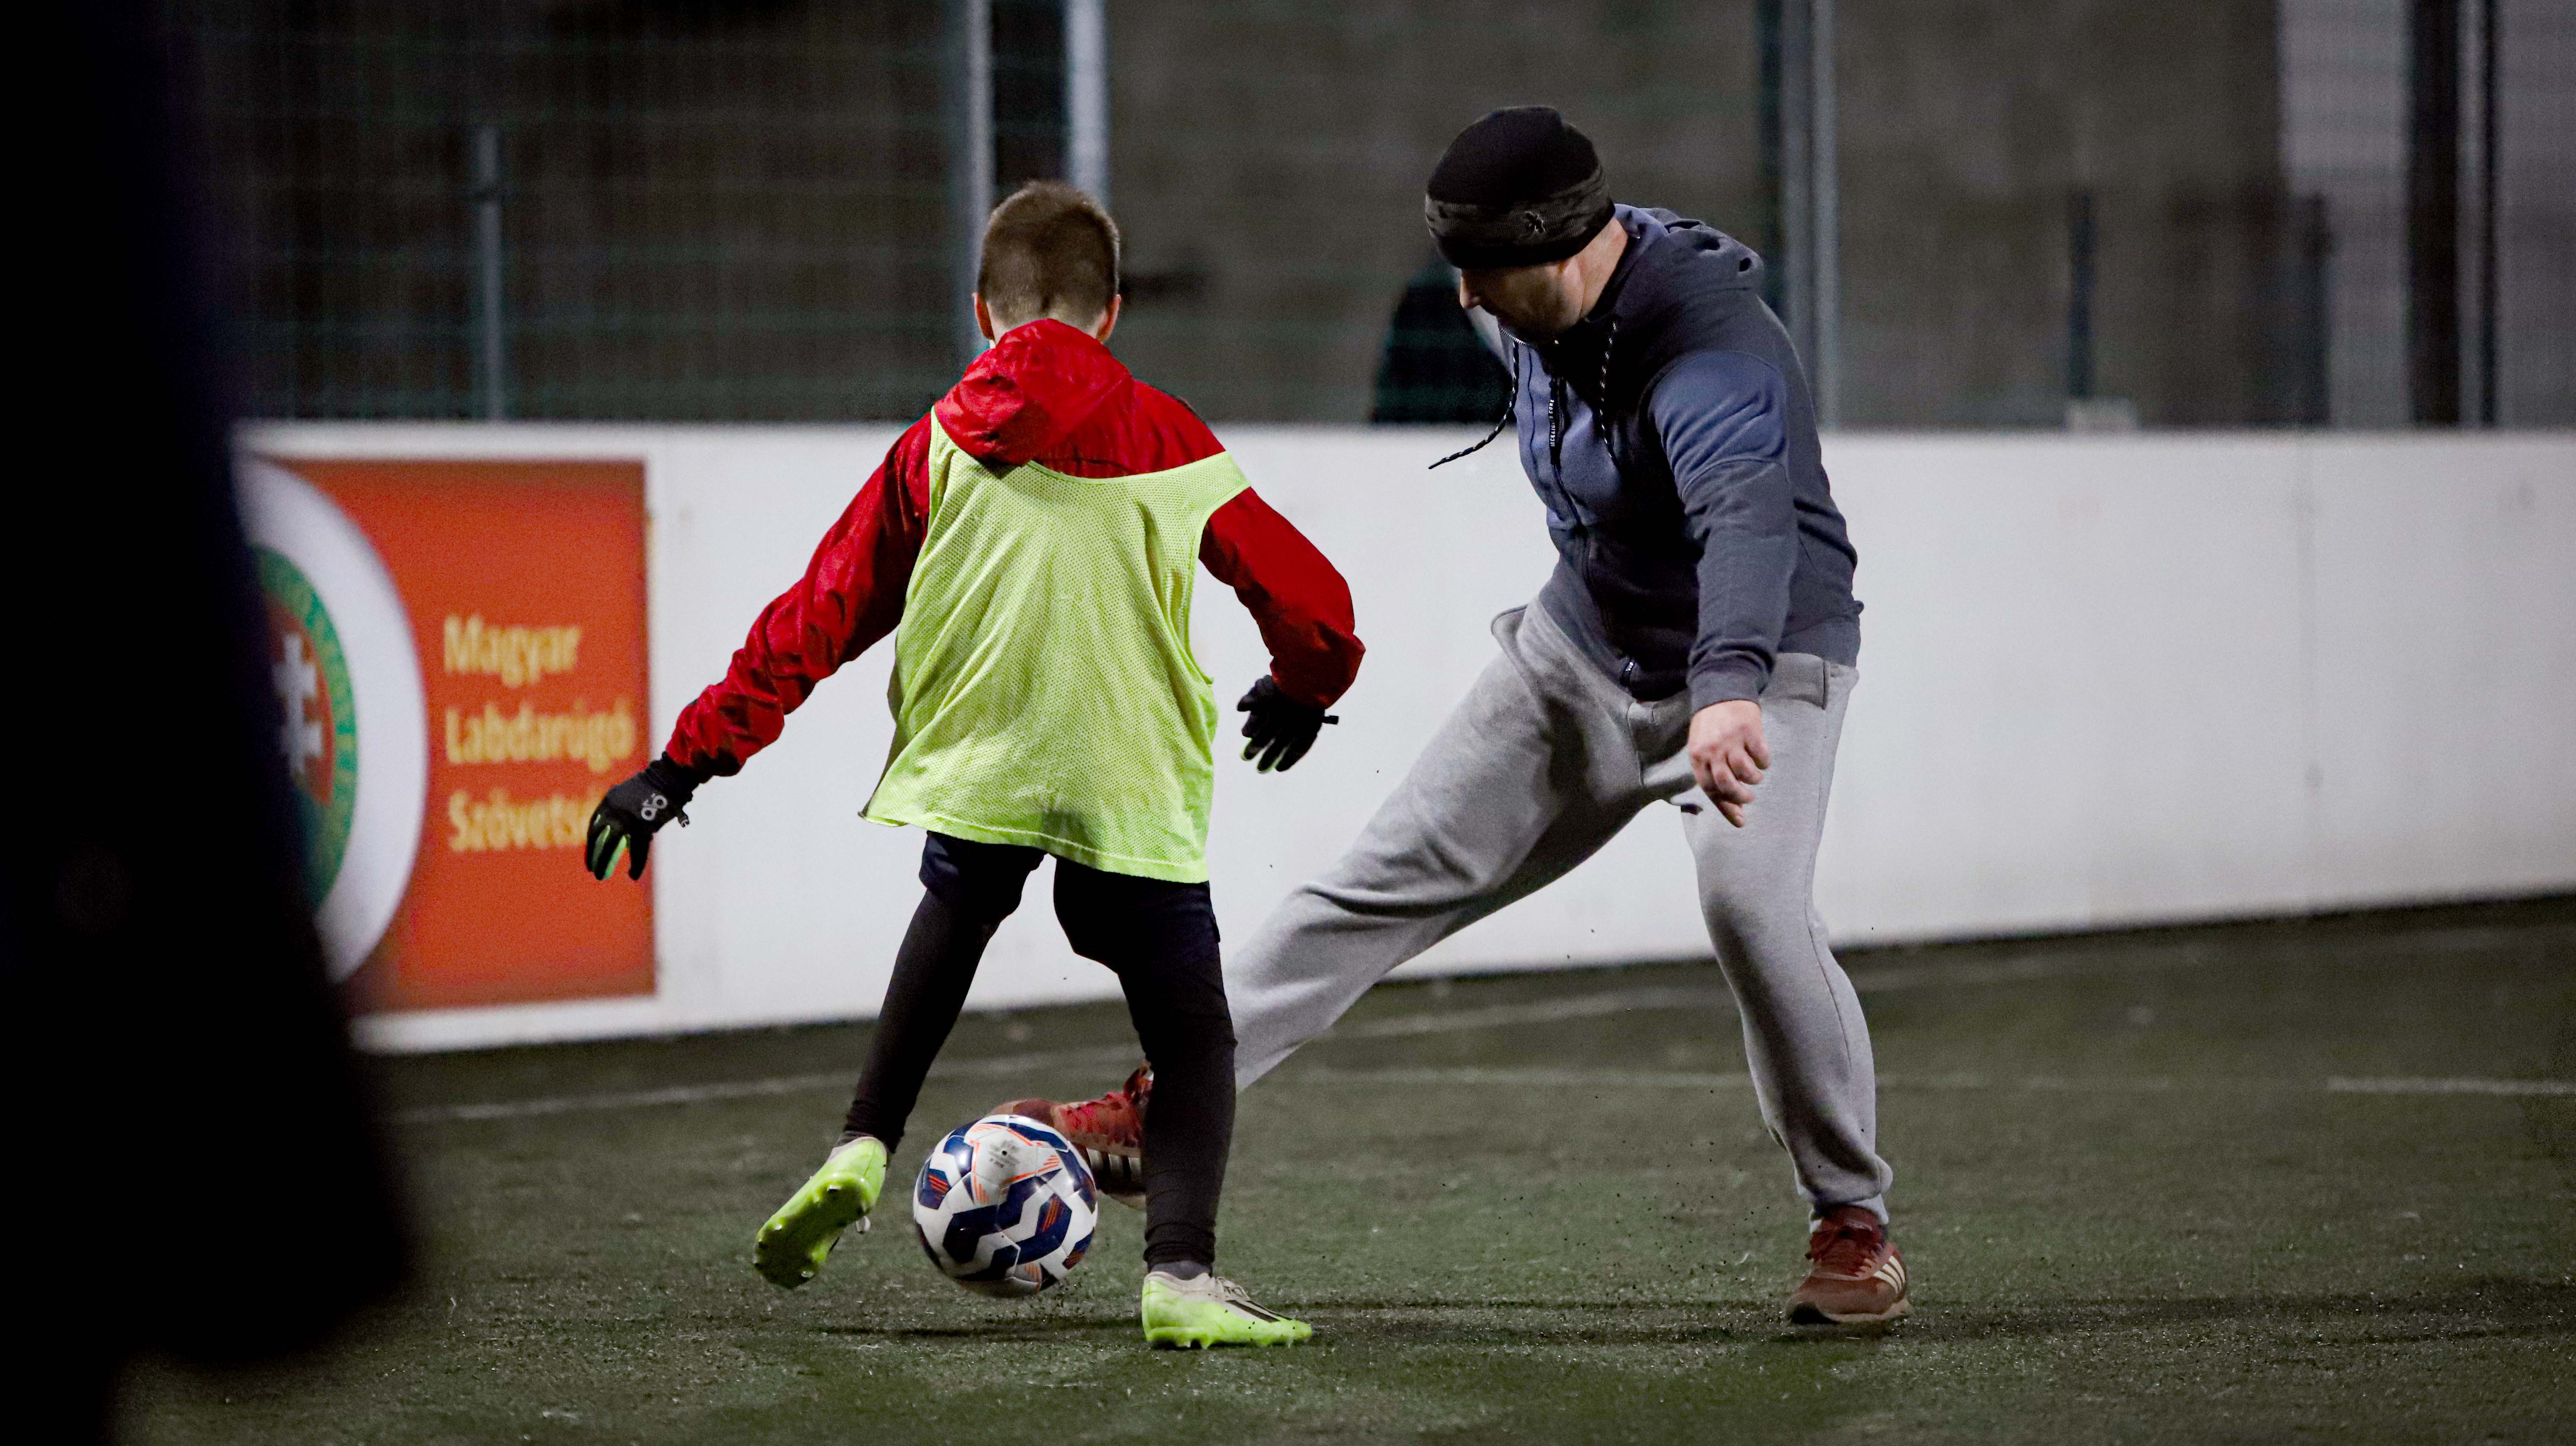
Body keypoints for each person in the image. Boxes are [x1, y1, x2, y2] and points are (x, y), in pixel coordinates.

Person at [1012, 108, 1908, 1327]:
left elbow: (1745, 522)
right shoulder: (1523, 302)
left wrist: (1730, 686)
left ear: (1562, 248)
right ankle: (1162, 1106)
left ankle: (1851, 1222)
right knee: (1377, 877)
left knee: (1752, 907)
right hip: (1581, 650)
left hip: (1758, 664)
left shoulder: (1712, 353)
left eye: (1484, 267)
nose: (1466, 296)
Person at [582, 181, 1363, 1349]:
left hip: (984, 756)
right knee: (1195, 1038)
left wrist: (680, 767)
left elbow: (815, 618)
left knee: (953, 915)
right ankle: (1181, 1275)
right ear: (1112, 312)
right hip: (1125, 771)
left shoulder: (936, 445)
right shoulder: (1172, 438)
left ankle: (861, 1144)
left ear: (982, 310)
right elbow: (1311, 602)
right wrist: (1308, 685)